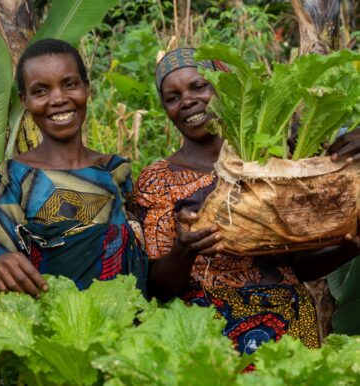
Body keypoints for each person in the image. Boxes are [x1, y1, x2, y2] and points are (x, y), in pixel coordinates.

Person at [135, 47, 360, 354]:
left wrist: (345, 250)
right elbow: (158, 287)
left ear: (225, 89)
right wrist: (184, 249)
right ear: (165, 109)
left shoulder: (274, 164)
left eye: (199, 86)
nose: (187, 100)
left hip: (289, 323)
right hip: (207, 331)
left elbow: (297, 266)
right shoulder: (157, 180)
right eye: (172, 97)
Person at [0, 38, 147, 297]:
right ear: (24, 100)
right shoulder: (10, 179)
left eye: (69, 84)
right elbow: (12, 271)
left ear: (86, 88)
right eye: (40, 91)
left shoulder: (116, 171)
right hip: (59, 326)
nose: (58, 98)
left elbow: (136, 254)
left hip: (129, 322)